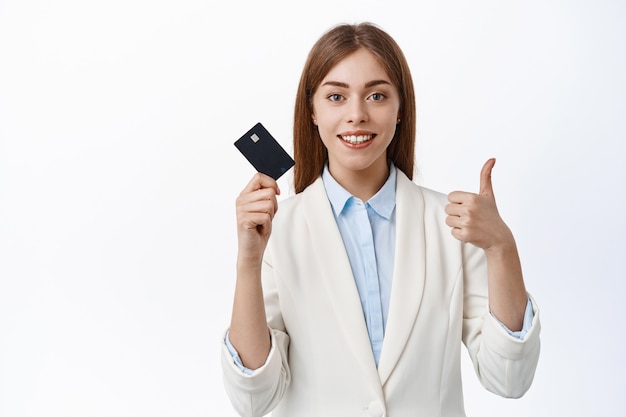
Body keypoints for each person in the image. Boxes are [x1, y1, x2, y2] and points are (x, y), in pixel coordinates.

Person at [221, 22, 540, 417]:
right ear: (313, 112)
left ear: (400, 108)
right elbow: (254, 398)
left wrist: (501, 248)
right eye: (336, 96)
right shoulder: (277, 233)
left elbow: (508, 378)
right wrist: (248, 263)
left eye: (376, 95)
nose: (357, 115)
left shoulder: (453, 227)